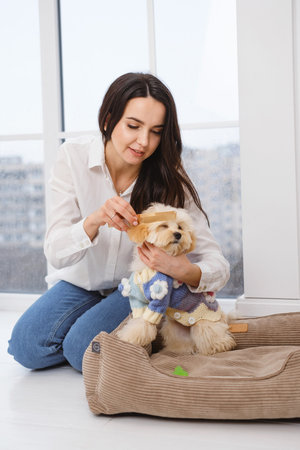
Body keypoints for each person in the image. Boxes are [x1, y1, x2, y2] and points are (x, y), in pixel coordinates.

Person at [8, 72, 230, 372]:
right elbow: (56, 252)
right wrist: (95, 220)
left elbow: (217, 262)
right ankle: (126, 334)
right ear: (108, 120)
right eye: (133, 126)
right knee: (26, 347)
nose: (144, 142)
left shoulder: (168, 177)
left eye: (156, 131)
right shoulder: (73, 158)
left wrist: (187, 271)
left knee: (79, 352)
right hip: (81, 283)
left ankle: (134, 326)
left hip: (139, 288)